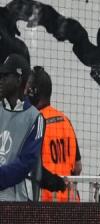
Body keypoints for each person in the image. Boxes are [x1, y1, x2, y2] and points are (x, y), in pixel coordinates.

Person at [26, 66, 82, 202]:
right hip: (70, 201)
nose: (25, 94)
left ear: (34, 92)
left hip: (47, 202)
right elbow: (78, 167)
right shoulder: (65, 121)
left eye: (27, 89)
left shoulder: (34, 123)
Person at [0, 54, 45, 202]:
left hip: (18, 203)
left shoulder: (35, 118)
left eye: (5, 75)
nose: (1, 80)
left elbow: (26, 162)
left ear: (19, 79)